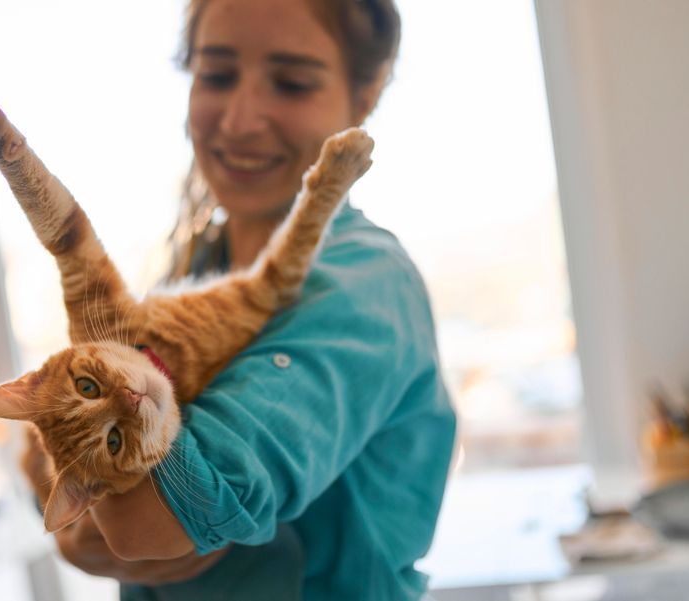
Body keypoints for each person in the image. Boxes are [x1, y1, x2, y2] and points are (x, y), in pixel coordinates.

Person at [23, 0, 457, 598]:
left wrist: (95, 505)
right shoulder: (196, 268)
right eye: (218, 74)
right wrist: (77, 510)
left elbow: (151, 521)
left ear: (366, 93)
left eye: (292, 82)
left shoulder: (362, 286)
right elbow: (50, 456)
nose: (239, 120)